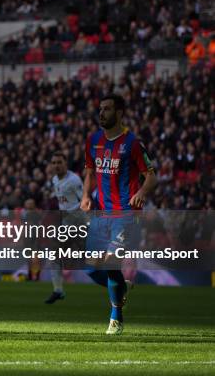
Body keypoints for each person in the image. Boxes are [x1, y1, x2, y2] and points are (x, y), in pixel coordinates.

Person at [81, 94, 157, 335]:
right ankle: (121, 287)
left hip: (126, 214)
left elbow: (151, 176)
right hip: (101, 214)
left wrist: (142, 192)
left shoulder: (133, 143)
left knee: (110, 260)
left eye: (107, 109)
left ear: (120, 112)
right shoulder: (93, 140)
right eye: (100, 108)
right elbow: (91, 173)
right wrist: (85, 195)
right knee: (92, 266)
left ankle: (116, 317)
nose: (101, 113)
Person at [45, 151, 83, 304]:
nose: (56, 165)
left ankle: (118, 284)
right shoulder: (55, 180)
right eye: (54, 163)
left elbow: (85, 202)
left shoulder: (74, 180)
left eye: (59, 162)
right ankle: (58, 290)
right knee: (53, 254)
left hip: (78, 223)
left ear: (65, 163)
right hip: (66, 224)